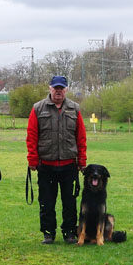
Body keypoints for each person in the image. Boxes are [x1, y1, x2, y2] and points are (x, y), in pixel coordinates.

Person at [26, 75, 87, 244]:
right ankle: (48, 233)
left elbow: (81, 136)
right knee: (46, 202)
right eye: (55, 88)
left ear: (66, 90)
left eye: (61, 89)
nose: (58, 91)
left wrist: (82, 160)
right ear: (50, 89)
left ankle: (69, 232)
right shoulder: (38, 108)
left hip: (69, 165)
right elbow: (32, 135)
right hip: (46, 165)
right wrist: (32, 158)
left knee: (70, 203)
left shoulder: (75, 108)